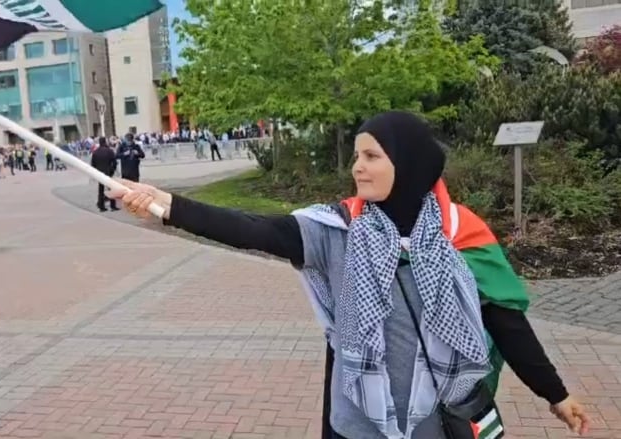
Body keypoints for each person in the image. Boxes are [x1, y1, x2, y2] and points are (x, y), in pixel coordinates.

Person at [109, 111, 590, 439]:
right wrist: (167, 205)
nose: (357, 167)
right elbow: (252, 229)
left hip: (437, 423)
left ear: (410, 164)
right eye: (357, 155)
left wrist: (555, 394)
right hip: (358, 424)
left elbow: (507, 324)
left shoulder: (461, 235)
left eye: (372, 156)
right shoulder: (336, 230)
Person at [90, 137, 119, 212]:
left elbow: (93, 164)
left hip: (99, 173)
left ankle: (101, 206)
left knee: (101, 190)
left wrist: (95, 172)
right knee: (111, 189)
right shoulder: (109, 151)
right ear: (105, 142)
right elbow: (114, 162)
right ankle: (113, 206)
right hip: (108, 171)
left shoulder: (95, 152)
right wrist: (112, 170)